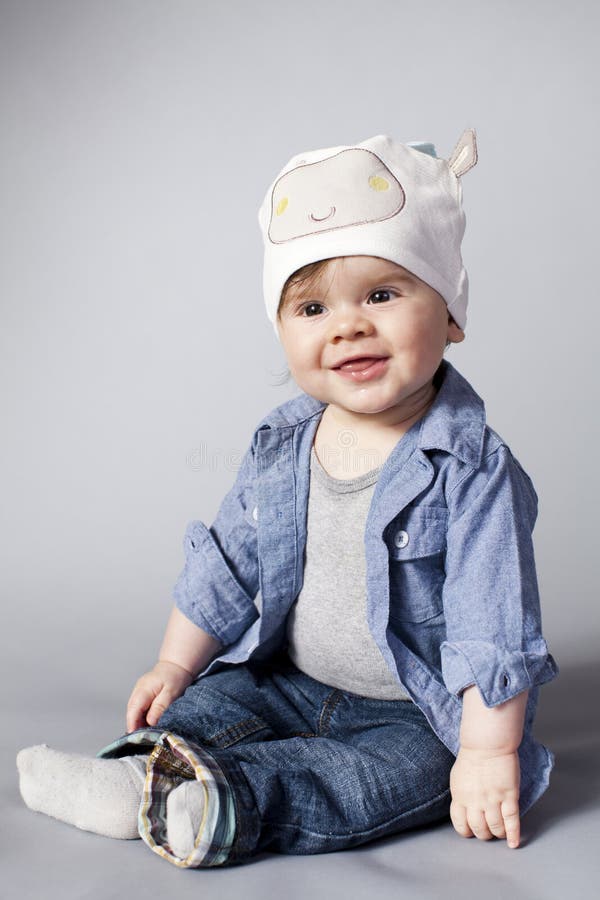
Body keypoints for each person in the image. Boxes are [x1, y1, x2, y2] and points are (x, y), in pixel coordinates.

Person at [17, 128, 559, 869]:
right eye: (312, 310)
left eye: (382, 293)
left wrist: (489, 752)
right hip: (289, 679)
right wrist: (175, 666)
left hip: (414, 714)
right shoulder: (284, 445)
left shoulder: (473, 470)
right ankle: (137, 775)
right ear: (281, 328)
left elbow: (493, 624)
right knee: (213, 700)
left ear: (452, 313)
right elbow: (230, 565)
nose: (348, 326)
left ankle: (219, 802)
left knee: (386, 778)